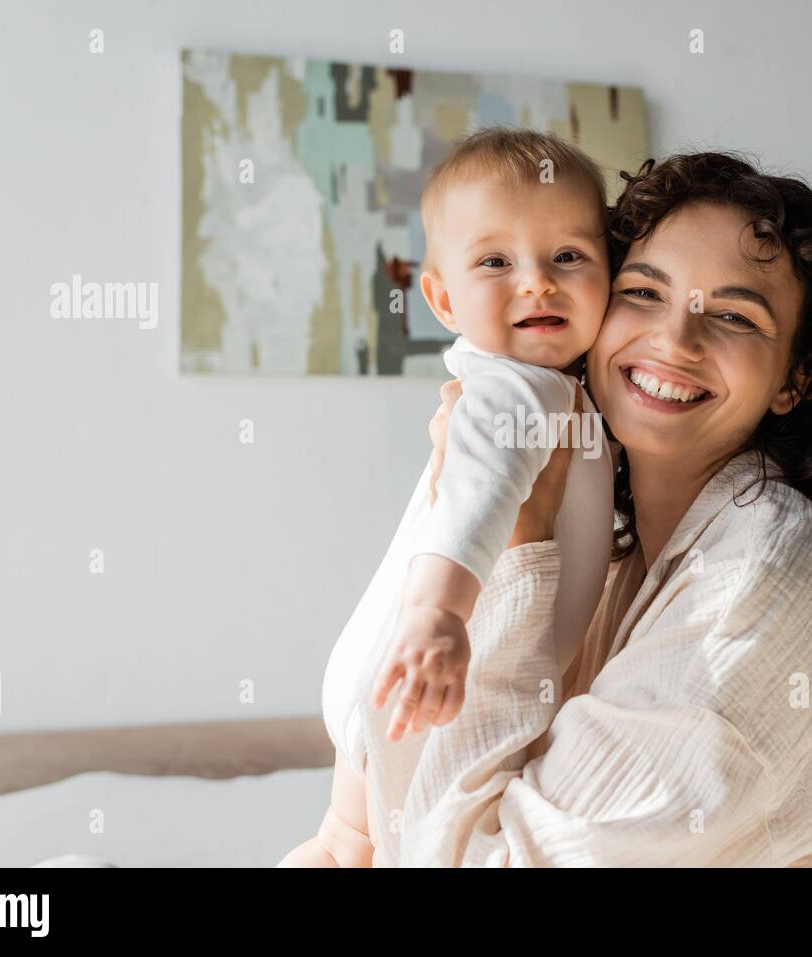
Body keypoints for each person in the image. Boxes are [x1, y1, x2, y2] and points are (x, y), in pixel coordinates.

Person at [361, 151, 812, 866]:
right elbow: (406, 808)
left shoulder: (761, 581)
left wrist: (520, 550)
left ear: (795, 378)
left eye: (732, 314)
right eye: (643, 292)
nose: (674, 340)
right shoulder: (611, 563)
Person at [278, 128, 614, 868]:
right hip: (436, 662)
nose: (537, 281)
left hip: (409, 670)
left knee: (343, 846)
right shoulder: (517, 389)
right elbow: (478, 496)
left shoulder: (559, 392)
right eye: (496, 261)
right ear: (442, 298)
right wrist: (440, 614)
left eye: (569, 256)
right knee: (346, 847)